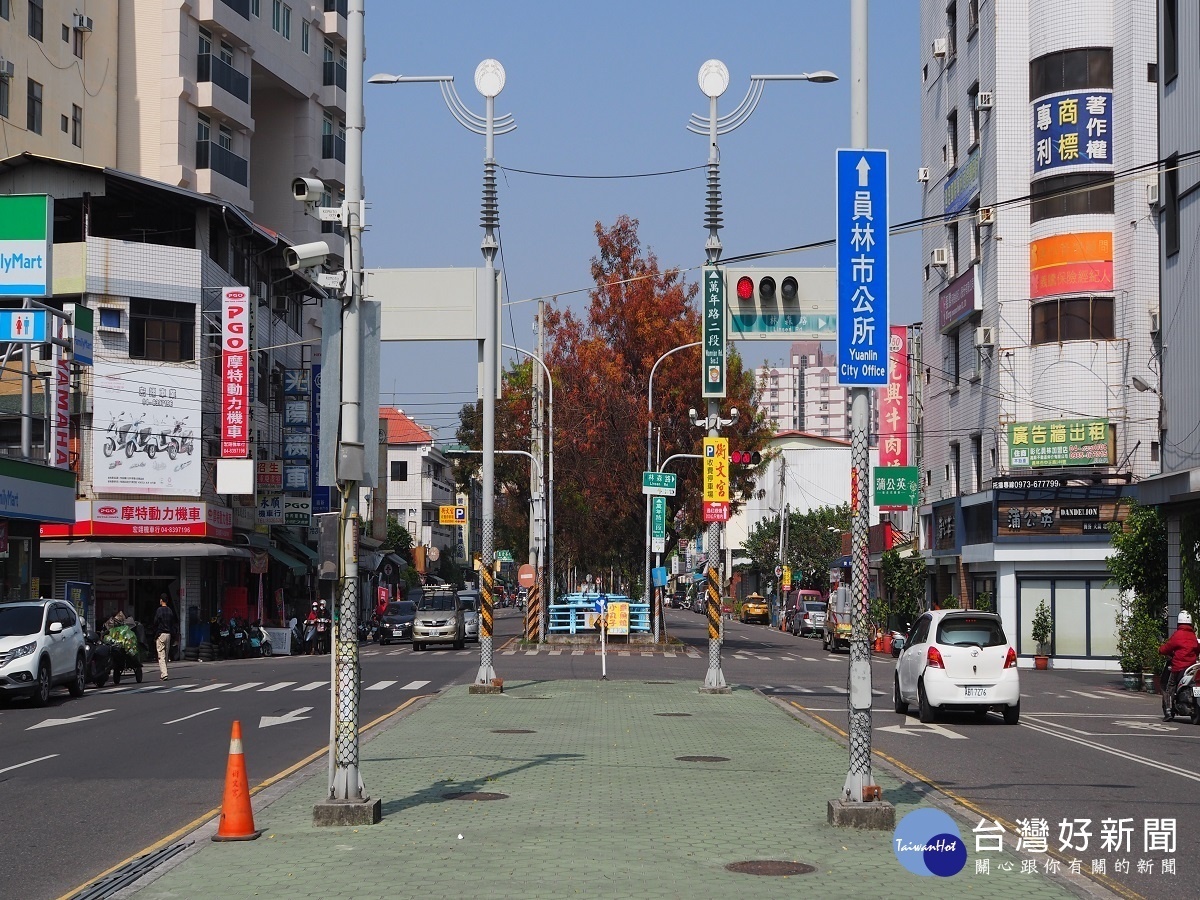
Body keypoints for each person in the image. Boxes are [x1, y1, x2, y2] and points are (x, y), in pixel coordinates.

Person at [1159, 610, 1199, 720]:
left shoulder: (1177, 635)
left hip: (1178, 667)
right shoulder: (1192, 636)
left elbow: (1167, 648)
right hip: (1191, 667)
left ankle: (1168, 711)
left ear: (1179, 623)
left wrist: (1160, 650)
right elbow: (1197, 649)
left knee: (1169, 687)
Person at [152, 594, 177, 681]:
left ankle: (164, 673)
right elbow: (173, 623)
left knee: (161, 654)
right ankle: (164, 673)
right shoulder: (170, 610)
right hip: (168, 635)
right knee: (166, 654)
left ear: (161, 600)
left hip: (161, 634)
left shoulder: (159, 610)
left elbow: (155, 622)